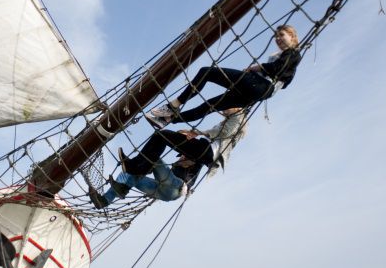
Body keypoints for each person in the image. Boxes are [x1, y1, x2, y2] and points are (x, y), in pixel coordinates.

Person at [147, 25, 301, 127]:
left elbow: (277, 69)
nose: (278, 39)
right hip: (255, 94)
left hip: (260, 86)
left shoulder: (293, 53)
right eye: (276, 36)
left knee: (207, 72)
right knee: (209, 105)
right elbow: (284, 81)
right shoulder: (283, 57)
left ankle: (173, 106)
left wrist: (256, 67)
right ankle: (167, 120)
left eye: (281, 35)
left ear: (292, 37)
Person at [120, 107, 246, 193]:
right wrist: (192, 133)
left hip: (206, 150)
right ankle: (140, 168)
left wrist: (197, 132)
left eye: (228, 106)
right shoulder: (232, 119)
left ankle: (138, 168)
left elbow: (225, 132)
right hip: (203, 148)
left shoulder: (239, 117)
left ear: (238, 106)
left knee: (162, 135)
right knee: (161, 136)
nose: (223, 108)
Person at [88, 155, 202, 209]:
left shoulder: (198, 157)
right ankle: (104, 200)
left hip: (177, 187)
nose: (181, 156)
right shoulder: (180, 160)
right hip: (162, 190)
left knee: (153, 157)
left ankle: (135, 165)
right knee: (130, 173)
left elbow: (196, 158)